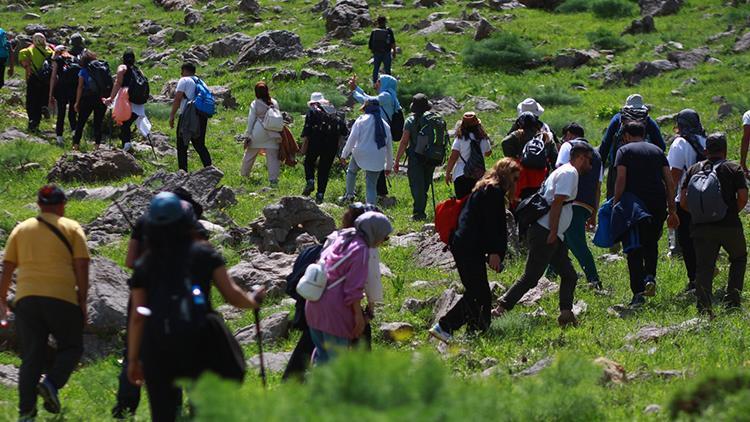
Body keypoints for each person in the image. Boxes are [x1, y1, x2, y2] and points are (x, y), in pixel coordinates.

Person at [126, 192, 265, 422]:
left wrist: (133, 359)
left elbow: (138, 315)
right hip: (198, 339)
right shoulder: (204, 253)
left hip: (158, 343)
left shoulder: (145, 263)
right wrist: (253, 300)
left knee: (163, 414)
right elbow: (231, 295)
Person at [112, 188, 205, 418]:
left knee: (137, 348)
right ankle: (188, 406)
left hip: (145, 294)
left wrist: (149, 268)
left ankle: (125, 407)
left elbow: (130, 260)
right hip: (183, 298)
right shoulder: (193, 226)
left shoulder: (145, 221)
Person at [0, 185, 90, 421]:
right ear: (62, 205)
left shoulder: (22, 229)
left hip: (27, 300)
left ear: (39, 205)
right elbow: (82, 264)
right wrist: (82, 299)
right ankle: (51, 383)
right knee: (71, 346)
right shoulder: (72, 228)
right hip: (62, 297)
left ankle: (26, 414)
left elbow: (7, 266)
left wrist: (2, 299)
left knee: (31, 356)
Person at [493, 143, 594, 326]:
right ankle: (499, 310)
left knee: (569, 275)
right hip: (547, 232)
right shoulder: (569, 173)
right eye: (588, 160)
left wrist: (557, 233)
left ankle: (566, 313)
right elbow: (557, 203)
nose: (591, 165)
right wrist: (554, 232)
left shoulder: (565, 172)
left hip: (553, 233)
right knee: (531, 277)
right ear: (579, 158)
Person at [283, 202, 385, 380]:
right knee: (347, 346)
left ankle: (292, 378)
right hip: (337, 304)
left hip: (315, 296)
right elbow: (367, 282)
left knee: (315, 344)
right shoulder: (364, 246)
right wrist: (368, 309)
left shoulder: (337, 236)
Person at [429, 159, 519, 343]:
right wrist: (495, 252)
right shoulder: (493, 192)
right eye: (514, 177)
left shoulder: (484, 188)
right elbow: (493, 226)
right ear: (505, 175)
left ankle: (477, 331)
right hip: (468, 247)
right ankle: (445, 326)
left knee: (480, 291)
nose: (516, 181)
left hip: (465, 245)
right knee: (478, 292)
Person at [305, 211, 392, 364]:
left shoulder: (342, 238)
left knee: (322, 358)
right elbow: (353, 289)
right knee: (336, 364)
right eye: (384, 237)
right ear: (374, 232)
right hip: (334, 312)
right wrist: (358, 317)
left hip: (314, 303)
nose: (382, 242)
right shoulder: (361, 250)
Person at [680, 133, 748, 315]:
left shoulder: (694, 169)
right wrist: (731, 212)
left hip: (700, 227)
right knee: (739, 258)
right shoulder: (733, 169)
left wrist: (699, 215)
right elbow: (743, 197)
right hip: (729, 226)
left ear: (705, 150)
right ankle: (732, 303)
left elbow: (684, 201)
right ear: (725, 150)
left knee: (704, 267)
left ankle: (704, 309)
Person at [612, 122, 678, 307]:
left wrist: (616, 204)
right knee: (651, 243)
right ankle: (650, 276)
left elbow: (621, 179)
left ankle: (638, 294)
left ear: (626, 135)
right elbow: (669, 181)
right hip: (657, 205)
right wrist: (671, 208)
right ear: (644, 133)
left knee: (634, 248)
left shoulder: (624, 151)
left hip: (633, 207)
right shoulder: (657, 151)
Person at [554, 127, 603, 290]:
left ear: (569, 135)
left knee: (577, 243)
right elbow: (598, 187)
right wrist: (594, 213)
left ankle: (594, 281)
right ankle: (549, 276)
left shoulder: (568, 147)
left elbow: (560, 170)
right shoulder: (597, 155)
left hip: (570, 201)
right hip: (587, 204)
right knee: (563, 242)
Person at [666, 109, 706, 293]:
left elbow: (674, 176)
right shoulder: (705, 141)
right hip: (707, 199)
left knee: (687, 243)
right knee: (704, 241)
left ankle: (694, 281)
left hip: (685, 201)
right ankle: (706, 275)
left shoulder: (680, 143)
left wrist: (669, 205)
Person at [600, 94, 666, 199]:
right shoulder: (648, 121)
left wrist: (601, 165)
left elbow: (606, 143)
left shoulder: (618, 118)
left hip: (618, 165)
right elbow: (661, 146)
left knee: (615, 196)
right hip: (645, 167)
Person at [350, 74, 402, 202]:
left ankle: (374, 193)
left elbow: (367, 101)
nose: (377, 83)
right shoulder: (389, 95)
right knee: (377, 161)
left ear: (385, 83)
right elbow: (369, 98)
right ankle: (381, 192)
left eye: (379, 81)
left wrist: (354, 92)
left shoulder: (386, 96)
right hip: (379, 132)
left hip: (378, 132)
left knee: (371, 164)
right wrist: (356, 88)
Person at [393, 94, 445, 220]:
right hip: (432, 156)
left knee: (417, 185)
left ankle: (418, 213)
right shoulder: (434, 119)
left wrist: (397, 160)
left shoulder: (410, 121)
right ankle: (421, 208)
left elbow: (404, 141)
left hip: (416, 157)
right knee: (425, 183)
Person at [340, 99, 394, 205]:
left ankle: (349, 195)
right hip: (378, 158)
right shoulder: (385, 125)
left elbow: (352, 139)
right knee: (371, 185)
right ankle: (370, 206)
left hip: (360, 154)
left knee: (351, 171)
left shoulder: (361, 120)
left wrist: (344, 155)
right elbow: (389, 147)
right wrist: (388, 166)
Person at [300, 92, 348, 203]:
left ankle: (310, 180)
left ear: (312, 102)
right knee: (324, 170)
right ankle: (320, 194)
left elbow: (307, 130)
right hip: (331, 144)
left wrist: (304, 146)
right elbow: (344, 131)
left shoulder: (312, 111)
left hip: (315, 141)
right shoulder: (334, 112)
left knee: (309, 162)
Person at [502, 111, 557, 201]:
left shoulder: (517, 136)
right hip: (541, 176)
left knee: (518, 202)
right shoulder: (546, 137)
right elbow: (555, 159)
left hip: (521, 176)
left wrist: (513, 158)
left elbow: (505, 142)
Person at [169, 62, 212, 171]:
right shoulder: (200, 81)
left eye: (182, 71)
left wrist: (172, 116)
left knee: (182, 144)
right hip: (201, 115)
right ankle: (209, 169)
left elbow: (178, 98)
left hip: (188, 115)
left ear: (185, 71)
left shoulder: (184, 80)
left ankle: (182, 172)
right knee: (199, 144)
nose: (181, 73)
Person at [241, 81, 282, 186]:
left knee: (250, 155)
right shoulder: (274, 102)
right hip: (273, 132)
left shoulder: (255, 103)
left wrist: (247, 135)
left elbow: (251, 120)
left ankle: (244, 175)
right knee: (272, 158)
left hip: (258, 132)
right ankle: (273, 180)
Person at [105, 50, 147, 153]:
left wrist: (111, 97)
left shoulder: (123, 67)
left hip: (126, 99)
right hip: (137, 102)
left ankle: (126, 144)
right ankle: (127, 144)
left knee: (124, 123)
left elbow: (118, 82)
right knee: (127, 124)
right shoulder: (138, 70)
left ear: (123, 58)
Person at [443, 111, 492, 199]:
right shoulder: (483, 138)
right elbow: (488, 153)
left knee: (462, 204)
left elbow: (453, 157)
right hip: (478, 175)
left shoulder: (460, 138)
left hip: (461, 174)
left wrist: (447, 173)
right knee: (477, 204)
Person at [72, 51, 107, 150]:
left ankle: (76, 145)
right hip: (101, 97)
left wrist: (77, 102)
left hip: (88, 98)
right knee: (98, 122)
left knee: (81, 122)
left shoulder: (83, 70)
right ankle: (97, 145)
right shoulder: (102, 69)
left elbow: (80, 87)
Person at [19, 33, 53, 132]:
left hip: (34, 78)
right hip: (46, 79)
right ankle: (43, 109)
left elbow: (24, 63)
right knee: (41, 101)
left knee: (31, 102)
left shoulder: (27, 51)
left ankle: (32, 123)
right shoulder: (49, 51)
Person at [48, 45, 78, 146]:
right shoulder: (75, 59)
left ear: (58, 52)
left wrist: (51, 94)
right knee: (72, 114)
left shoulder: (58, 60)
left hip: (61, 88)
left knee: (61, 113)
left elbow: (53, 77)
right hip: (74, 89)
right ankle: (75, 134)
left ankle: (59, 137)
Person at [368, 16, 396, 84]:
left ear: (378, 22)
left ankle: (375, 83)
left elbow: (370, 43)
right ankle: (388, 83)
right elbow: (392, 42)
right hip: (386, 52)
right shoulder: (388, 30)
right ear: (385, 22)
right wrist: (394, 51)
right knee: (387, 69)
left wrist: (373, 51)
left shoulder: (374, 31)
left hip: (377, 53)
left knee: (376, 69)